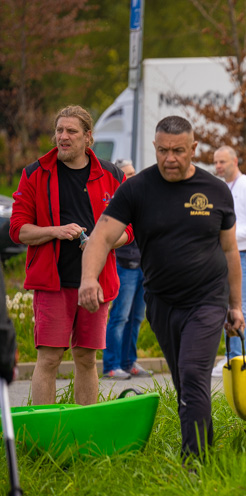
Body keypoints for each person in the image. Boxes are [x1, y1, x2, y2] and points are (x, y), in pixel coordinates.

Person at [78, 115, 244, 457]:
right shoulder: (137, 189)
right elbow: (100, 237)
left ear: (194, 148)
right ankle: (205, 446)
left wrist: (236, 305)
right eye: (163, 150)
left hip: (208, 299)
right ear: (154, 147)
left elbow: (229, 250)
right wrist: (88, 279)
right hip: (162, 302)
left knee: (192, 374)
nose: (170, 158)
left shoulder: (214, 190)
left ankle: (193, 462)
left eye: (179, 151)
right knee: (186, 383)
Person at [9, 105, 131, 406]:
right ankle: (45, 434)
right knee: (49, 358)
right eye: (59, 131)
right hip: (53, 282)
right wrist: (55, 231)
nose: (63, 137)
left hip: (96, 283)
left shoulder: (112, 175)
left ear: (88, 136)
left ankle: (85, 431)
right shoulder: (35, 173)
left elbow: (131, 230)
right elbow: (18, 230)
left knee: (87, 358)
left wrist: (102, 243)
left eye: (71, 131)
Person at [211, 145, 246, 376]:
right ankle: (232, 357)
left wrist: (227, 235)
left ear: (235, 161)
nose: (218, 166)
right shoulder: (223, 188)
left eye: (222, 162)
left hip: (242, 254)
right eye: (215, 162)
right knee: (228, 308)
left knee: (244, 307)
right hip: (224, 255)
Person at [102, 159, 152, 380]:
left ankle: (128, 362)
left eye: (133, 173)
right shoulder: (115, 202)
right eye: (126, 174)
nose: (132, 177)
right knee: (119, 317)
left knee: (136, 317)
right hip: (123, 266)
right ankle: (111, 366)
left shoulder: (142, 197)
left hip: (143, 266)